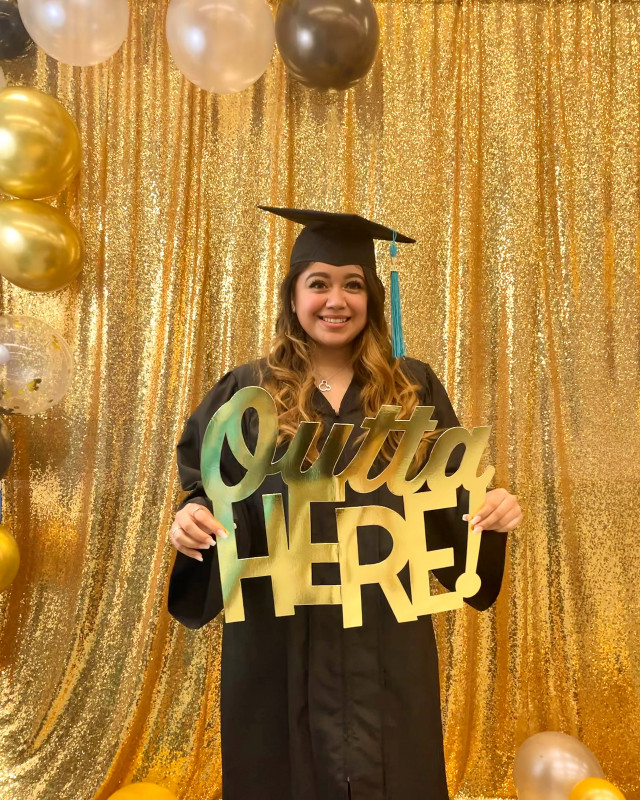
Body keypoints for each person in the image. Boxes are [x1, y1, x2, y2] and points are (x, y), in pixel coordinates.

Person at [167, 207, 522, 800]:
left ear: (373, 298)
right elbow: (210, 488)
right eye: (319, 284)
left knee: (397, 766)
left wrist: (491, 514)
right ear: (294, 296)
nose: (337, 300)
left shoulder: (413, 389)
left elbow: (454, 496)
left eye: (352, 284)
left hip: (383, 624)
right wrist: (192, 517)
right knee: (276, 768)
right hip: (278, 627)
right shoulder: (246, 392)